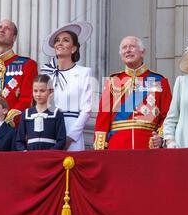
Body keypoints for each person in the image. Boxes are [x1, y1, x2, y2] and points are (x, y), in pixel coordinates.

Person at [93, 36, 172, 150]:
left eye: (132, 46)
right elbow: (102, 120)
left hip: (148, 146)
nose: (128, 50)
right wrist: (100, 150)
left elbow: (168, 116)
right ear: (121, 55)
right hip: (117, 147)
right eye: (124, 48)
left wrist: (160, 137)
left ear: (142, 52)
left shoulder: (159, 81)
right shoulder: (112, 82)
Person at [41, 21, 93, 151]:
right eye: (57, 40)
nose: (60, 43)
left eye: (65, 40)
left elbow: (86, 109)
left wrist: (70, 137)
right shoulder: (45, 72)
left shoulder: (84, 72)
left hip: (71, 128)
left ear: (74, 48)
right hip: (48, 128)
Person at [15, 75, 66, 151]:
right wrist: (24, 152)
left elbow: (61, 140)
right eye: (35, 91)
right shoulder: (26, 114)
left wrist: (50, 153)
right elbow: (19, 141)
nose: (38, 94)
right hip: (30, 157)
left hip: (50, 157)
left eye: (42, 91)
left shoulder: (57, 113)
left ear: (51, 91)